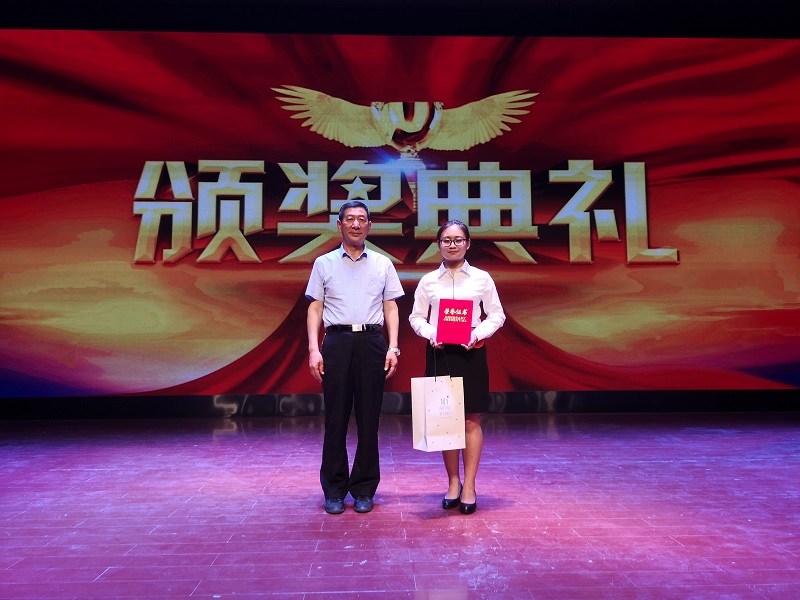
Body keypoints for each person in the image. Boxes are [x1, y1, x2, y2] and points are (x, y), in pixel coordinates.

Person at [305, 200, 404, 515]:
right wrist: (313, 348)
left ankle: (363, 488)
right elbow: (315, 307)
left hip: (372, 342)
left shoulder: (382, 264)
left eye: (362, 219)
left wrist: (393, 346)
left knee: (368, 419)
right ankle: (334, 490)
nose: (356, 224)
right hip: (336, 341)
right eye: (350, 219)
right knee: (335, 419)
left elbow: (391, 307)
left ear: (369, 226)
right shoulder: (323, 263)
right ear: (339, 225)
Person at [409, 220, 505, 514]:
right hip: (440, 352)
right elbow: (416, 317)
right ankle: (453, 482)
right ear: (438, 245)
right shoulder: (428, 281)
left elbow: (497, 315)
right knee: (445, 421)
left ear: (468, 243)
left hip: (470, 352)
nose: (452, 245)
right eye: (447, 240)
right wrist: (431, 333)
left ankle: (470, 485)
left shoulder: (481, 278)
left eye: (458, 239)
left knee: (470, 420)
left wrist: (476, 334)